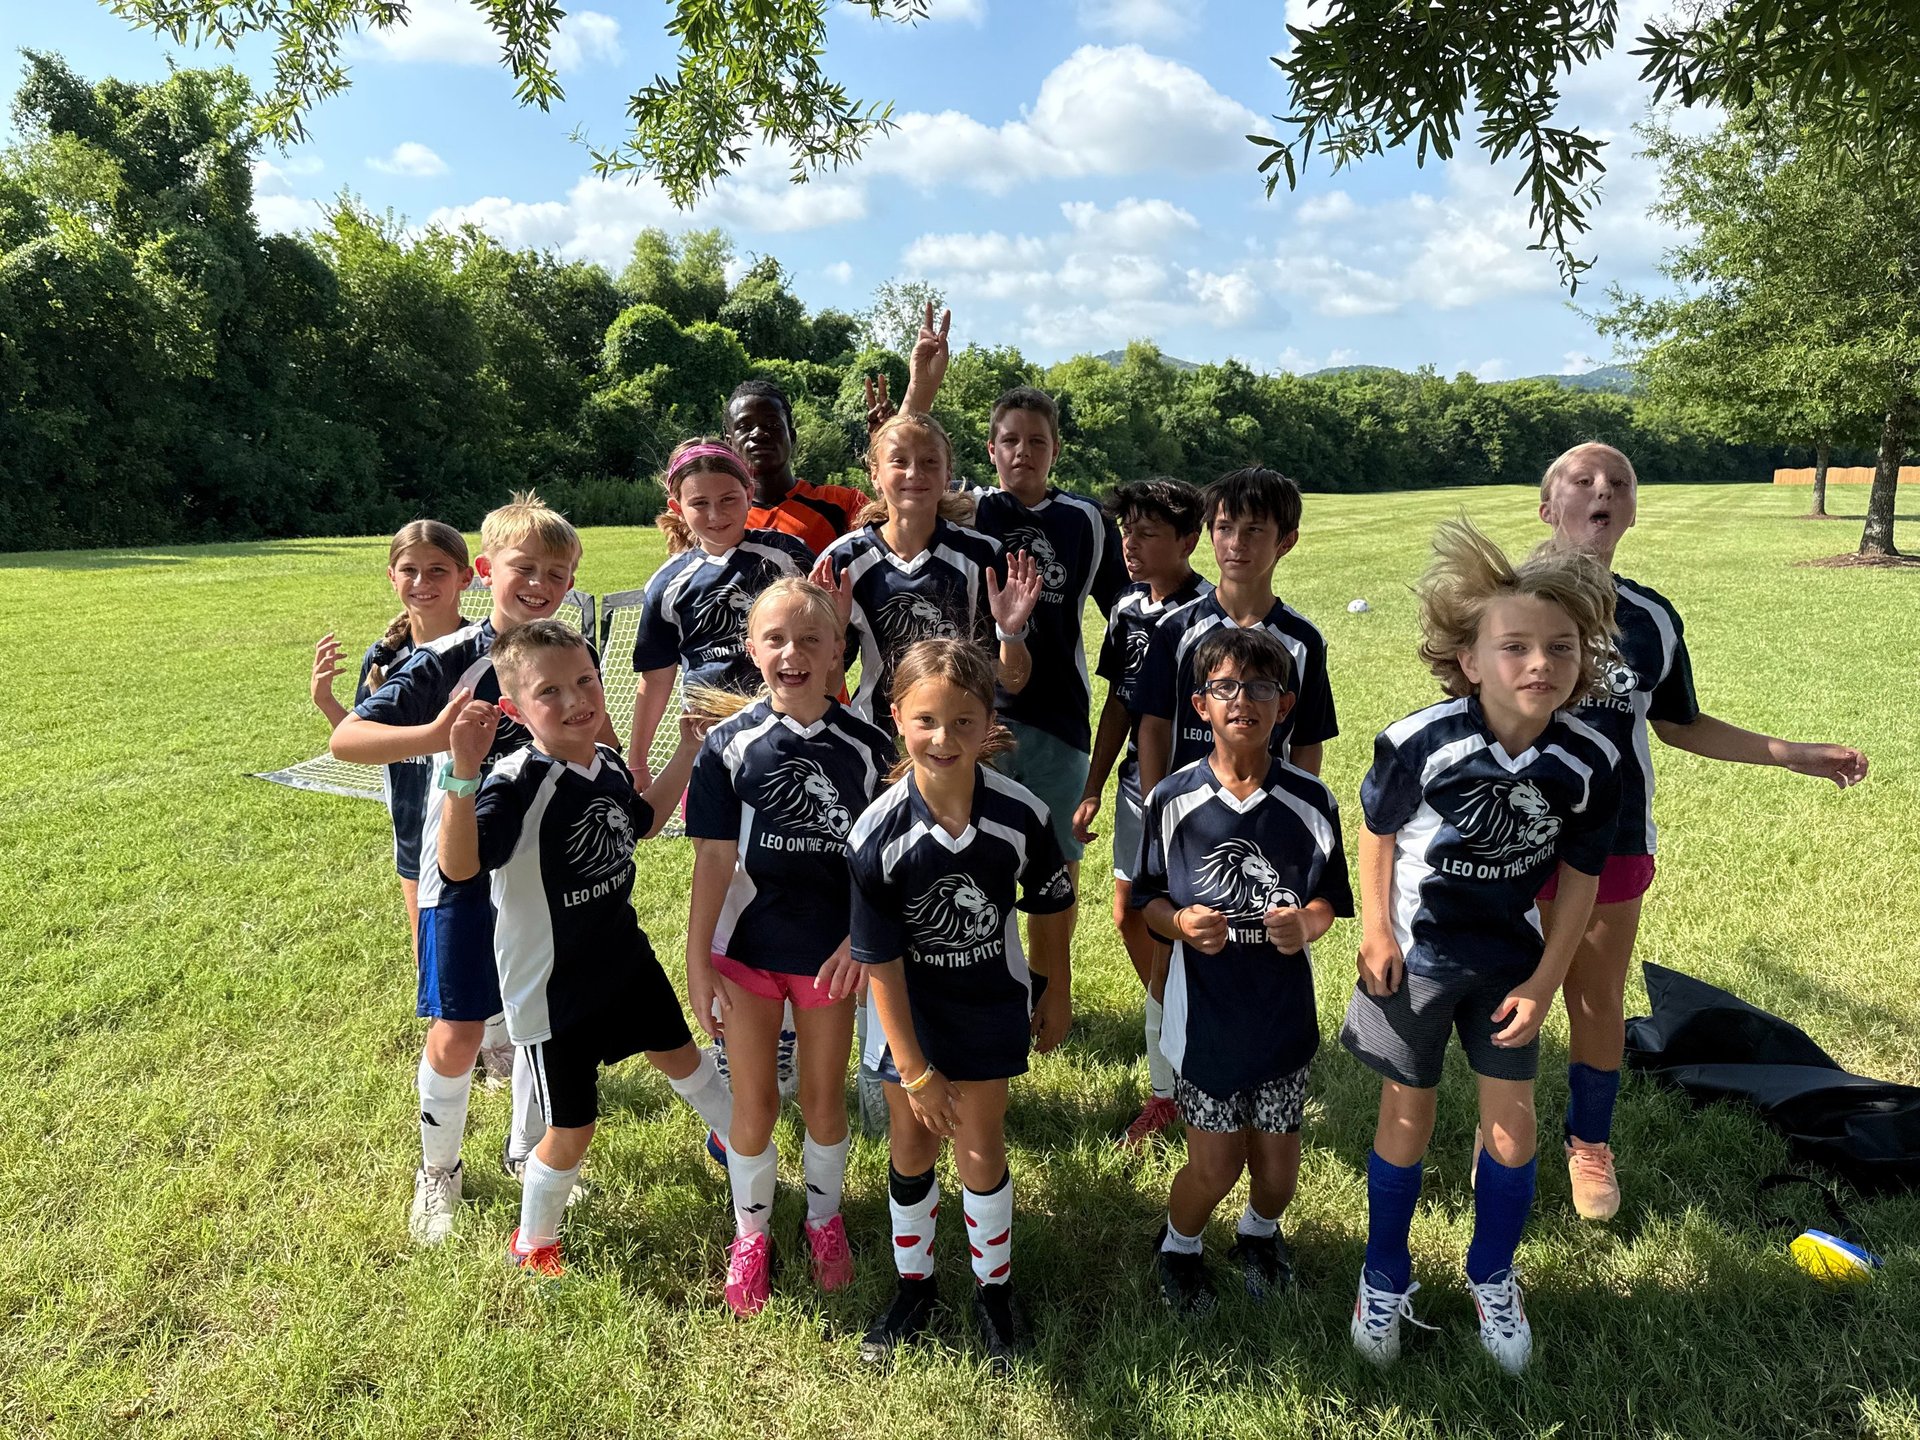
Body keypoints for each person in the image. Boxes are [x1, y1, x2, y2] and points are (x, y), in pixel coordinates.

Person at [1533, 443, 1868, 1219]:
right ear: (1548, 507)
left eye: (1618, 483)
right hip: (1503, 842)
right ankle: (1503, 1139)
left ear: (1632, 511)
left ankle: (1589, 1144)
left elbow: (1680, 723)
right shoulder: (1499, 601)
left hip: (1610, 839)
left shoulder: (1649, 619)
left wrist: (1792, 755)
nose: (1603, 491)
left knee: (1596, 1000)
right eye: (1582, 481)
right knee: (1503, 1000)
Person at [1343, 520, 1622, 1375]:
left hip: (1509, 967)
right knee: (1408, 1117)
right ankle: (1382, 1276)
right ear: (1470, 659)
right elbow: (1379, 833)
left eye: (1561, 648)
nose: (1540, 663)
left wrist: (1544, 979)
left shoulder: (1591, 758)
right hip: (1415, 964)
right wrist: (1376, 928)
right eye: (1515, 647)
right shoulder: (1416, 740)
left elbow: (1578, 880)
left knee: (1511, 1129)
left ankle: (1492, 1275)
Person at [330, 490, 613, 1245]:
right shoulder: (448, 660)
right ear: (487, 571)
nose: (540, 583)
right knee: (459, 1028)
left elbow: (602, 739)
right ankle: (439, 1172)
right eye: (526, 567)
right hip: (459, 871)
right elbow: (348, 741)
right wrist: (438, 734)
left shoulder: (566, 655)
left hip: (549, 880)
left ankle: (528, 1153)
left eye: (558, 572)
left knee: (538, 1023)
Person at [434, 620, 733, 1278]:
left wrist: (685, 751)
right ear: (513, 709)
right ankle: (535, 1242)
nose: (575, 701)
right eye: (550, 692)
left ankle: (744, 1152)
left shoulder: (601, 763)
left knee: (687, 1060)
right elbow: (462, 867)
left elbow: (644, 821)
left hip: (625, 961)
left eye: (585, 682)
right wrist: (462, 771)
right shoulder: (515, 782)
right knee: (573, 1130)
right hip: (554, 988)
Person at [847, 639, 1076, 1367]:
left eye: (963, 722)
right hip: (906, 1018)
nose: (943, 739)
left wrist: (1055, 987)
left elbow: (1049, 905)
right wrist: (912, 1070)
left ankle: (993, 1292)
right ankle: (915, 1287)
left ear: (987, 726)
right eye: (926, 721)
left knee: (980, 1145)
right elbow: (878, 959)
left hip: (986, 1007)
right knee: (912, 1146)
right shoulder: (876, 833)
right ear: (897, 718)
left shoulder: (1024, 816)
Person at [683, 579, 894, 1315]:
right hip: (746, 952)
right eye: (775, 639)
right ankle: (751, 1234)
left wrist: (859, 943)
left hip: (829, 956)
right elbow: (711, 859)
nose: (792, 653)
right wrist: (697, 960)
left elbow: (881, 864)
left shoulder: (871, 747)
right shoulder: (728, 744)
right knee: (755, 1102)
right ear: (751, 649)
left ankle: (824, 1218)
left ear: (841, 651)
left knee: (823, 1099)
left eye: (811, 640)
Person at [1134, 628, 1352, 1313]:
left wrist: (1306, 924)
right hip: (1208, 1021)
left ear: (1285, 705)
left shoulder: (1311, 802)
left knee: (1278, 1177)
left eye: (1260, 687)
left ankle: (1259, 1235)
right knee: (1215, 1165)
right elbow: (1146, 900)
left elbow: (1329, 900)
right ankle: (1180, 1244)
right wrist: (1178, 923)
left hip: (1282, 1016)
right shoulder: (1171, 799)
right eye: (1226, 686)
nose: (1243, 700)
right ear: (1201, 705)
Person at [1073, 478, 1211, 1145]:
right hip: (1134, 788)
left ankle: (1171, 1085)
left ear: (1188, 542)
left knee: (1165, 933)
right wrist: (1095, 784)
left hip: (1189, 798)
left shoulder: (1211, 614)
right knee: (1131, 917)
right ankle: (1179, 1022)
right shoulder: (1126, 607)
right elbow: (1122, 705)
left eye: (1148, 533)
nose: (1130, 544)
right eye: (1126, 531)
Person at [1135, 468, 1337, 801]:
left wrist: (1295, 806)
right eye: (1225, 528)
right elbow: (1154, 727)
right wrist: (1154, 806)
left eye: (1254, 530)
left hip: (1267, 813)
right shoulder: (1176, 629)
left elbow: (1307, 740)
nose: (1236, 543)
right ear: (1211, 533)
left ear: (1286, 541)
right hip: (1185, 812)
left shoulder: (1303, 641)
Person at [629, 438, 816, 791]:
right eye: (700, 503)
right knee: (714, 844)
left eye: (728, 499)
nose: (716, 515)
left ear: (749, 492)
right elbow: (656, 677)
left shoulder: (788, 556)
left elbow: (823, 643)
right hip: (708, 742)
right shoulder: (667, 584)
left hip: (786, 734)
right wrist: (638, 759)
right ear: (678, 507)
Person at [726, 379, 871, 556]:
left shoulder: (844, 503)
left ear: (791, 436)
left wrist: (888, 443)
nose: (758, 434)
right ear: (729, 443)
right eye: (745, 427)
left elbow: (895, 544)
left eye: (772, 425)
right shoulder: (717, 517)